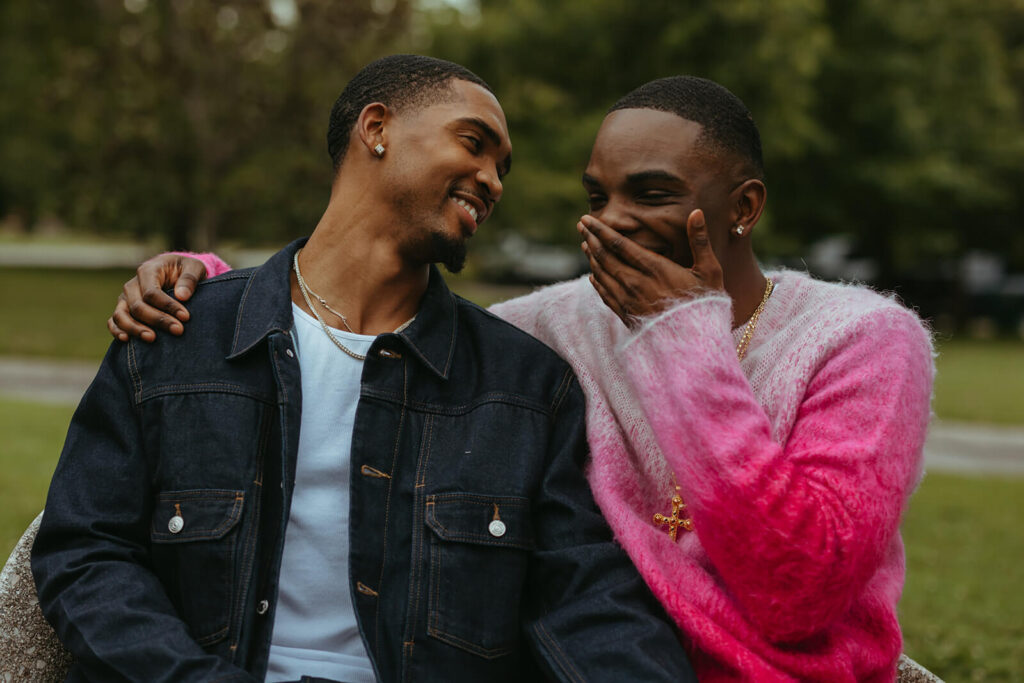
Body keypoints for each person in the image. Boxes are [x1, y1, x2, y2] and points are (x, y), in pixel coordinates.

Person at [109, 76, 935, 681]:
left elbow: (801, 589)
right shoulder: (545, 331)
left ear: (743, 207)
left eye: (650, 193)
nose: (609, 222)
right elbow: (383, 323)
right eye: (596, 195)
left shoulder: (864, 340)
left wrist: (682, 335)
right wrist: (203, 287)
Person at [32, 55, 696, 683]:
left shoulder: (523, 384)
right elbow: (87, 553)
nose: (493, 181)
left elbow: (585, 596)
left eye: (504, 167)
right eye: (474, 142)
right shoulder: (174, 338)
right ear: (375, 129)